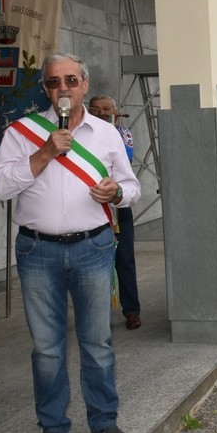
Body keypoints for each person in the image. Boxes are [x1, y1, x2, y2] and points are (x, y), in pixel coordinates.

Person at [0, 52, 140, 433]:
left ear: (84, 85)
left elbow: (132, 187)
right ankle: (52, 426)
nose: (63, 89)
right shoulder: (22, 133)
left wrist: (116, 194)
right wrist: (42, 154)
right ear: (45, 90)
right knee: (47, 348)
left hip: (92, 247)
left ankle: (103, 419)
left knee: (97, 342)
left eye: (71, 80)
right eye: (54, 82)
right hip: (37, 251)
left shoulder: (107, 133)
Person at [88, 95, 142, 330]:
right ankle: (96, 313)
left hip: (118, 208)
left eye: (106, 109)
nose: (101, 114)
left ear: (116, 112)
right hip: (91, 206)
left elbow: (124, 168)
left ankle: (131, 310)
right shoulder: (80, 136)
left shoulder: (122, 135)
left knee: (125, 260)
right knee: (93, 264)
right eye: (96, 110)